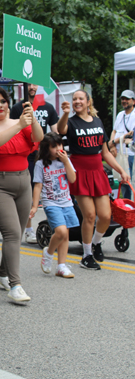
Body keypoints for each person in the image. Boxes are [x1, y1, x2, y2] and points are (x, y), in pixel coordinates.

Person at [0, 85, 43, 303]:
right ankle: (16, 285)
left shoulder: (20, 122)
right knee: (12, 233)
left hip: (23, 181)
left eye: (2, 101)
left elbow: (38, 137)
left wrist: (32, 119)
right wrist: (20, 124)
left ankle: (3, 274)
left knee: (17, 233)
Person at [57, 90, 130, 269]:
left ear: (88, 102)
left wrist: (121, 170)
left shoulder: (97, 122)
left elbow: (105, 152)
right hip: (80, 172)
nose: (77, 101)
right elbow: (61, 130)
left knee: (105, 216)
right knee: (89, 215)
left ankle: (96, 242)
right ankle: (87, 255)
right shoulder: (71, 121)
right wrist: (65, 113)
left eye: (81, 98)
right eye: (74, 99)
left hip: (98, 171)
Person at [10, 83, 59, 244]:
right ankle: (29, 229)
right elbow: (14, 130)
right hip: (28, 154)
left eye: (35, 84)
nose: (32, 87)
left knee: (50, 192)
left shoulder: (48, 107)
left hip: (44, 155)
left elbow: (55, 131)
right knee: (29, 194)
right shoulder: (18, 108)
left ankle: (53, 226)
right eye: (29, 84)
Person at [30, 132, 79, 279]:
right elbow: (38, 185)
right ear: (46, 148)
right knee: (61, 232)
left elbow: (73, 179)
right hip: (51, 203)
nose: (58, 148)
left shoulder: (65, 160)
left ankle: (61, 266)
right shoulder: (40, 164)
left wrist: (66, 162)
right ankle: (49, 253)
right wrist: (34, 205)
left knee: (66, 236)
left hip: (67, 202)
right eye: (54, 146)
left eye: (60, 145)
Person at [108, 89, 135, 199]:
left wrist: (113, 142)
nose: (124, 101)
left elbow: (130, 136)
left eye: (127, 99)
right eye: (123, 99)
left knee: (131, 182)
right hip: (119, 153)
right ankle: (126, 208)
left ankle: (131, 207)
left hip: (130, 153)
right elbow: (114, 131)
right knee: (121, 181)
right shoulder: (120, 115)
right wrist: (112, 145)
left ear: (133, 101)